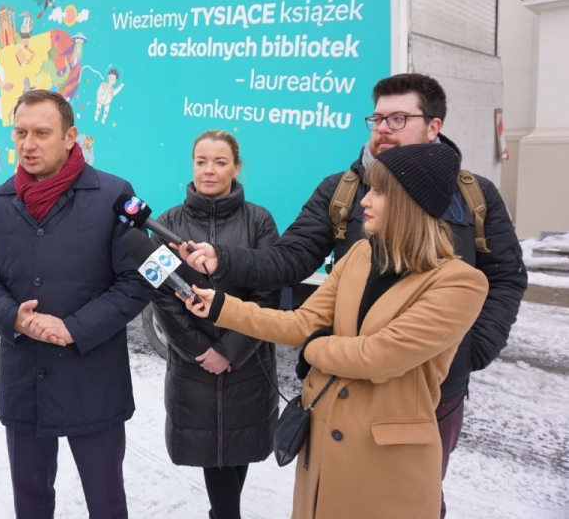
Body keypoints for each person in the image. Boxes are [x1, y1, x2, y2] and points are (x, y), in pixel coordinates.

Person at [181, 73, 527, 517]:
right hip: (333, 407)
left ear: (433, 125)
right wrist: (222, 279)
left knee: (409, 499)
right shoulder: (355, 229)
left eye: (397, 118)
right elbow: (291, 268)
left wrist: (471, 350)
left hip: (422, 400)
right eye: (377, 118)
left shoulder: (471, 212)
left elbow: (505, 278)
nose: (382, 128)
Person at [0, 89, 153, 519]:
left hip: (92, 381)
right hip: (25, 382)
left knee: (106, 502)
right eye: (20, 133)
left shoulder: (113, 195)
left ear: (70, 136)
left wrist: (75, 327)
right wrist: (12, 318)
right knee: (30, 502)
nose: (27, 144)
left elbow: (137, 279)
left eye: (41, 133)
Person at [150, 130, 280, 519]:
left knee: (238, 447)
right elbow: (161, 296)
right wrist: (202, 350)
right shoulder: (167, 223)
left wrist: (230, 351)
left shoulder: (259, 221)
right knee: (214, 454)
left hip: (247, 362)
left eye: (220, 162)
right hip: (196, 367)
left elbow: (268, 294)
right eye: (201, 161)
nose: (209, 170)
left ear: (236, 168)